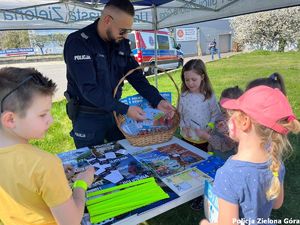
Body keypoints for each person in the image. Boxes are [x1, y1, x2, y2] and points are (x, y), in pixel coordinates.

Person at [63, 0, 174, 148]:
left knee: (122, 157)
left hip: (114, 114)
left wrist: (158, 100)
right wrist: (126, 109)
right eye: (123, 30)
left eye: (128, 31)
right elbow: (89, 89)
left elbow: (136, 77)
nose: (126, 35)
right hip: (88, 116)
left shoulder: (120, 43)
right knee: (90, 163)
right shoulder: (79, 42)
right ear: (107, 20)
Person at [0, 67, 95, 225]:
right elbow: (70, 221)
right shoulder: (45, 165)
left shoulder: (41, 167)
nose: (51, 120)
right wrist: (81, 184)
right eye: (42, 114)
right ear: (10, 119)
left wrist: (53, 177)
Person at [199, 85, 300, 225]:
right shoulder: (276, 162)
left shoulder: (228, 174)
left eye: (230, 115)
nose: (226, 120)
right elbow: (277, 203)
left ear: (245, 122)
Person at [178, 59, 221, 152]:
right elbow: (179, 114)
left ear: (202, 77)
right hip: (187, 138)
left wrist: (208, 130)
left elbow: (216, 115)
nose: (190, 83)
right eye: (187, 80)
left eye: (194, 79)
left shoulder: (209, 96)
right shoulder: (183, 95)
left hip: (204, 140)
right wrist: (183, 126)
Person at [195, 86, 244, 159]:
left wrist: (207, 136)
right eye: (220, 103)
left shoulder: (236, 125)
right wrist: (211, 130)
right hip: (216, 154)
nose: (219, 104)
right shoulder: (222, 116)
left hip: (226, 159)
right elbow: (216, 130)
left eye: (222, 103)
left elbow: (224, 146)